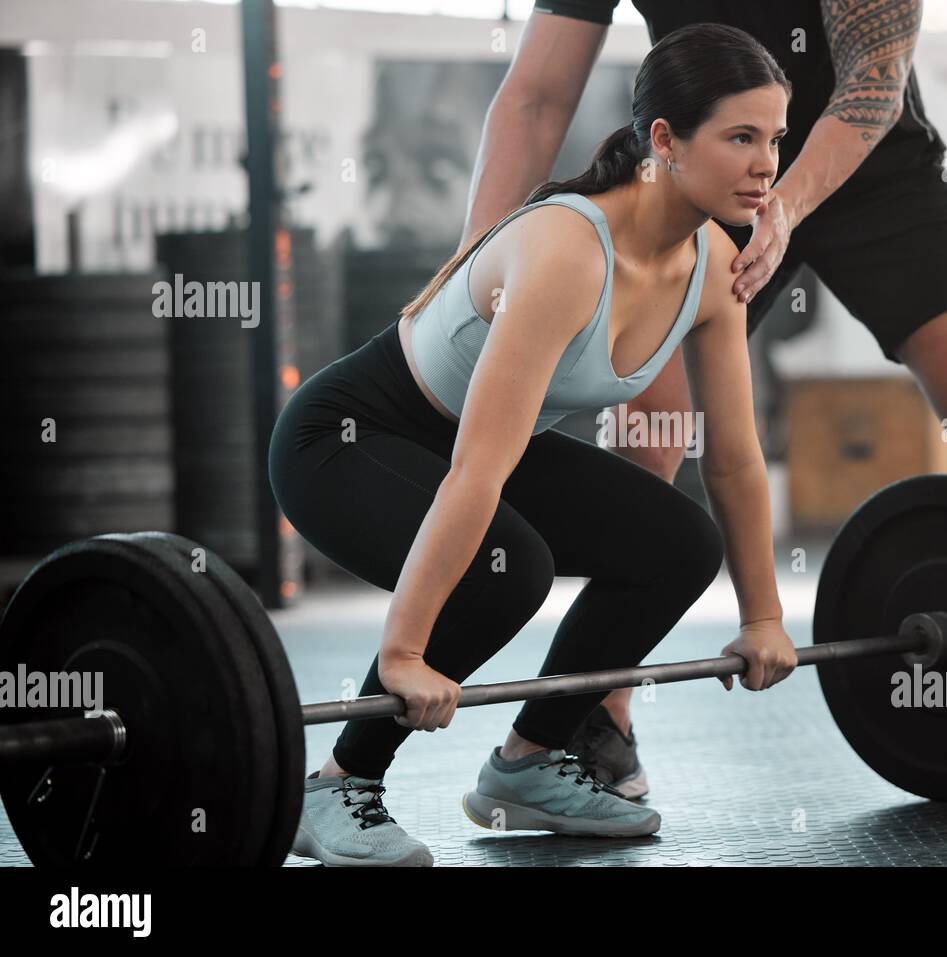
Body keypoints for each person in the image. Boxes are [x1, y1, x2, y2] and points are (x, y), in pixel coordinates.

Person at [461, 0, 947, 801]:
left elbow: (874, 81)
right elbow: (537, 95)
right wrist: (470, 277)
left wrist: (783, 204)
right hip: (709, 165)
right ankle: (598, 720)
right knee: (649, 424)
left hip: (878, 171)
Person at [268, 23, 801, 866]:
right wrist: (404, 651)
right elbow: (479, 467)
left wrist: (764, 615)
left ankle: (526, 763)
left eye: (774, 138)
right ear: (665, 140)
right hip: (349, 440)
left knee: (676, 542)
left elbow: (731, 457)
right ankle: (340, 781)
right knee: (505, 564)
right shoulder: (566, 249)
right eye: (741, 137)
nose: (767, 163)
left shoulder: (712, 264)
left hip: (472, 449)